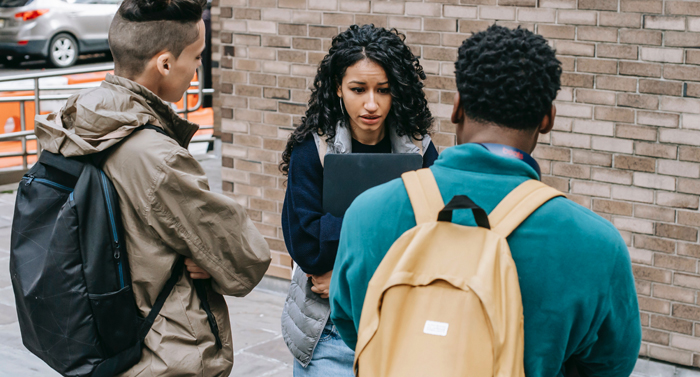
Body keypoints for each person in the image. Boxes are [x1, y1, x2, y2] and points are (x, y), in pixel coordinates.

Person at [330, 25, 641, 376]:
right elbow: (611, 365)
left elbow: (353, 324)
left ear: (457, 107)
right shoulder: (597, 245)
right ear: (547, 118)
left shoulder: (367, 214)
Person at [33, 0, 272, 375]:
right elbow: (245, 257)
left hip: (103, 342)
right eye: (196, 57)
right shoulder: (157, 157)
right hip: (164, 355)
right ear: (164, 63)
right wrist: (208, 258)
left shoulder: (75, 120)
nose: (197, 70)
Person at [279, 24, 438, 376]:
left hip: (400, 325)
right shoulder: (314, 149)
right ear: (338, 87)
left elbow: (434, 238)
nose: (371, 103)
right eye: (357, 89)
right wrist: (395, 225)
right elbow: (307, 247)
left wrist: (345, 272)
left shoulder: (419, 148)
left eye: (383, 90)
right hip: (329, 332)